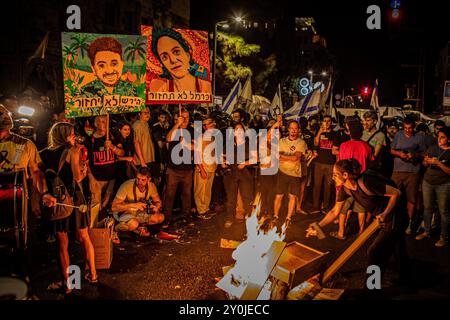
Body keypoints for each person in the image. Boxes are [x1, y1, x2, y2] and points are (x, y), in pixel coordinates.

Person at [306, 159, 410, 284]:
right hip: (383, 217)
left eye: (335, 174)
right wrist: (318, 226)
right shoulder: (345, 189)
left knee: (375, 251)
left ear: (345, 175)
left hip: (395, 215)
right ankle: (406, 276)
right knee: (397, 245)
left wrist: (384, 214)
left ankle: (372, 287)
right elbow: (334, 211)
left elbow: (396, 193)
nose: (333, 177)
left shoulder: (365, 183)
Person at [40, 122, 97, 293]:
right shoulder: (72, 151)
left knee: (62, 244)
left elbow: (40, 177)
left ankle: (68, 284)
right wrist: (84, 168)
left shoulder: (42, 154)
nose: (74, 136)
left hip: (58, 201)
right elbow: (78, 178)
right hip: (75, 199)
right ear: (64, 135)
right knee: (84, 237)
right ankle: (92, 274)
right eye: (71, 134)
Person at [111, 167, 178, 241]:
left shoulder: (151, 186)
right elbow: (114, 208)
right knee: (133, 224)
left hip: (139, 212)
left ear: (149, 180)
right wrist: (133, 205)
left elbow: (158, 202)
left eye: (143, 180)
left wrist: (156, 207)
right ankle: (116, 228)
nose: (139, 182)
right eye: (138, 178)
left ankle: (139, 227)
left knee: (160, 218)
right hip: (123, 213)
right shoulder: (127, 186)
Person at [390, 116, 427, 235]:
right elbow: (391, 150)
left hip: (413, 172)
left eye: (410, 128)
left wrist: (414, 155)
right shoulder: (399, 135)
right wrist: (400, 154)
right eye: (405, 128)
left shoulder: (420, 137)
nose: (407, 130)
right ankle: (390, 221)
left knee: (412, 198)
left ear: (413, 127)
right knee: (392, 195)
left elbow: (424, 154)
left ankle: (410, 223)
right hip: (398, 171)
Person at [415, 126, 450, 247]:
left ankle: (443, 237)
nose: (439, 139)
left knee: (444, 211)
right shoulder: (433, 148)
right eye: (438, 136)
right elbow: (424, 162)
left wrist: (438, 163)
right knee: (427, 208)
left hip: (443, 185)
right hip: (428, 182)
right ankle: (427, 231)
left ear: (449, 139)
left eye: (442, 137)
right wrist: (426, 161)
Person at [149, 28, 211, 93]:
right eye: (164, 57)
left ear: (187, 55)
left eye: (176, 52)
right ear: (162, 64)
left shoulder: (205, 87)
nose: (173, 60)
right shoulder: (163, 91)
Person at [86, 115, 124, 212]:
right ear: (95, 124)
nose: (104, 123)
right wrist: (91, 178)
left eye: (106, 121)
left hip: (112, 178)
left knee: (108, 205)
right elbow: (86, 161)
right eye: (101, 121)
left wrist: (112, 146)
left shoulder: (113, 136)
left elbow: (122, 153)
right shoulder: (90, 140)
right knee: (95, 207)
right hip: (97, 179)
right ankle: (94, 225)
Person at [273, 120, 308, 226]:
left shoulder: (301, 143)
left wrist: (282, 157)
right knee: (279, 195)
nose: (293, 131)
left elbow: (296, 158)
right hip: (282, 172)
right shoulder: (282, 141)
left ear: (298, 130)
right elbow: (276, 156)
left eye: (295, 128)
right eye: (291, 128)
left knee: (292, 196)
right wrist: (286, 157)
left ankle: (288, 218)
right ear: (288, 129)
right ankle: (275, 216)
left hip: (295, 174)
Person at [223, 122, 258, 227]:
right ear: (234, 132)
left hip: (245, 173)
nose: (239, 131)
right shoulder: (229, 144)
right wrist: (223, 162)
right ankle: (230, 219)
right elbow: (222, 156)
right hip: (232, 174)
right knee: (231, 199)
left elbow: (256, 159)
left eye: (241, 129)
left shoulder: (249, 144)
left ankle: (249, 220)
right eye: (236, 129)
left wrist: (244, 163)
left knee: (247, 197)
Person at [164, 109, 194, 224]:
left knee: (186, 194)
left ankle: (186, 214)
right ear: (178, 118)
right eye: (183, 117)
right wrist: (177, 124)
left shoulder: (192, 131)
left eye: (187, 117)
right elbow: (168, 138)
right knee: (170, 194)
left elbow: (196, 147)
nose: (185, 119)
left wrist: (185, 143)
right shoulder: (174, 129)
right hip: (173, 169)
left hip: (187, 169)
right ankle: (167, 216)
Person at [311, 115, 337, 214]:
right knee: (317, 185)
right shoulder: (319, 132)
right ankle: (315, 206)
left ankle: (325, 206)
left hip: (330, 163)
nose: (326, 123)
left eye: (328, 121)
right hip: (319, 163)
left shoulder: (335, 134)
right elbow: (316, 143)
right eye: (324, 121)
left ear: (331, 122)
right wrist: (319, 133)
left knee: (328, 186)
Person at [194, 118, 218, 218]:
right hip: (202, 168)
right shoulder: (201, 138)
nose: (212, 125)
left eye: (212, 123)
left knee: (207, 191)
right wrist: (202, 169)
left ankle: (206, 208)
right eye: (208, 124)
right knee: (200, 191)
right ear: (204, 127)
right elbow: (197, 155)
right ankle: (201, 211)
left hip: (211, 168)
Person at [132, 107, 157, 179]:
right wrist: (142, 161)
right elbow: (136, 143)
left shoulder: (146, 124)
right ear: (139, 114)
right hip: (142, 162)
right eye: (145, 113)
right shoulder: (138, 125)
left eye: (148, 112)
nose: (147, 115)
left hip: (148, 159)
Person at [114, 121, 136, 189]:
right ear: (120, 130)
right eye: (125, 129)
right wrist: (127, 158)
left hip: (126, 167)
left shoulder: (127, 140)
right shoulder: (118, 141)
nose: (127, 131)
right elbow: (116, 158)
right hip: (120, 168)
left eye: (128, 129)